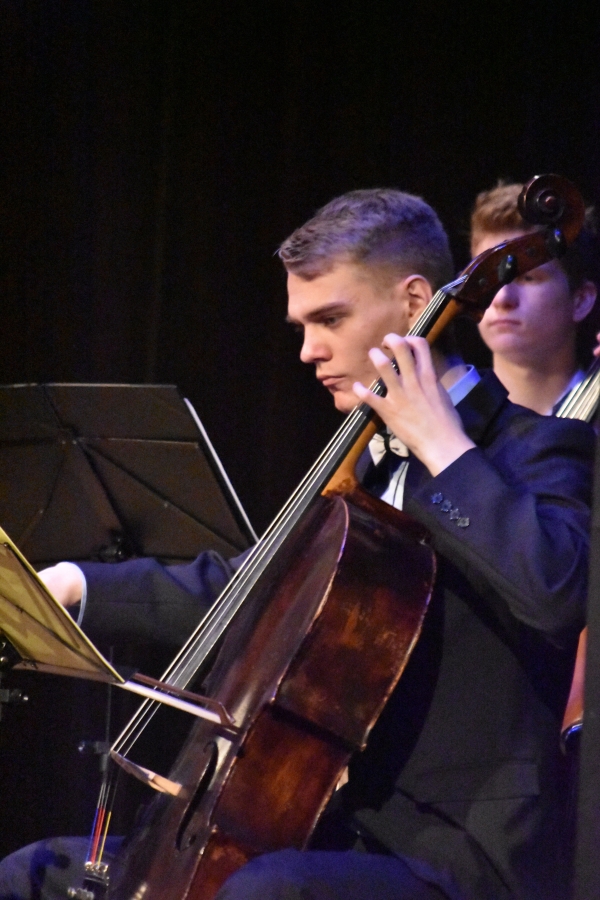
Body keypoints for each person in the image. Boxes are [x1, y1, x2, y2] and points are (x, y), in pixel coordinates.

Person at [0, 188, 594, 900]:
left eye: (330, 319)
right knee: (30, 874)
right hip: (324, 825)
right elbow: (245, 587)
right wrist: (70, 585)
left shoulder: (545, 449)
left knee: (270, 893)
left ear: (415, 303)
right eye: (301, 326)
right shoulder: (358, 463)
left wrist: (444, 447)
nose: (310, 350)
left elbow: (557, 593)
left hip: (465, 854)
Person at [469, 181, 600, 414]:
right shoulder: (448, 423)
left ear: (581, 300)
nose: (501, 299)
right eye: (489, 278)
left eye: (528, 278)